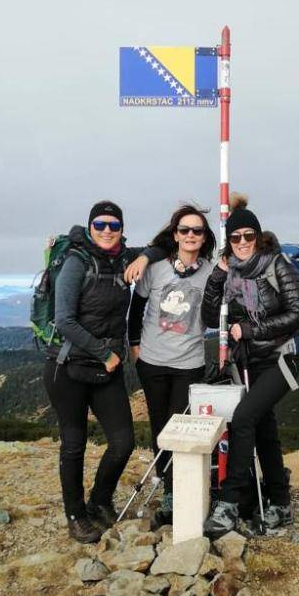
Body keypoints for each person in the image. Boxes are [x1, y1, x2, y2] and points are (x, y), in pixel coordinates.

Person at [43, 201, 166, 544]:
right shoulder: (76, 262)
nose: (107, 231)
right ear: (90, 227)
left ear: (122, 229)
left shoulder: (125, 257)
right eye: (100, 224)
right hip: (67, 367)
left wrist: (145, 258)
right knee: (74, 445)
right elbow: (64, 320)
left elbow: (164, 245)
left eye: (114, 225)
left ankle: (99, 501)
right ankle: (76, 516)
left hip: (104, 370)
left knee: (123, 441)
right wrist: (105, 353)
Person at [200, 194, 299, 538]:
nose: (243, 242)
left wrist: (250, 329)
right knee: (264, 429)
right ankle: (280, 504)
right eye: (236, 237)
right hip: (252, 360)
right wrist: (217, 275)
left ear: (258, 238)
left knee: (244, 417)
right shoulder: (230, 271)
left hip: (284, 357)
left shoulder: (277, 265)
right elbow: (209, 317)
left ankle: (229, 504)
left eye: (249, 236)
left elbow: (298, 313)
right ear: (229, 242)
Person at [127, 204, 216, 527]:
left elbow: (215, 314)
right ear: (175, 235)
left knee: (180, 427)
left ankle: (181, 489)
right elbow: (136, 308)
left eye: (197, 231)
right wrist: (135, 347)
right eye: (184, 230)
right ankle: (169, 492)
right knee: (160, 429)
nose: (191, 235)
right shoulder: (155, 268)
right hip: (152, 362)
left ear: (204, 237)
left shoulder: (211, 272)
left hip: (189, 363)